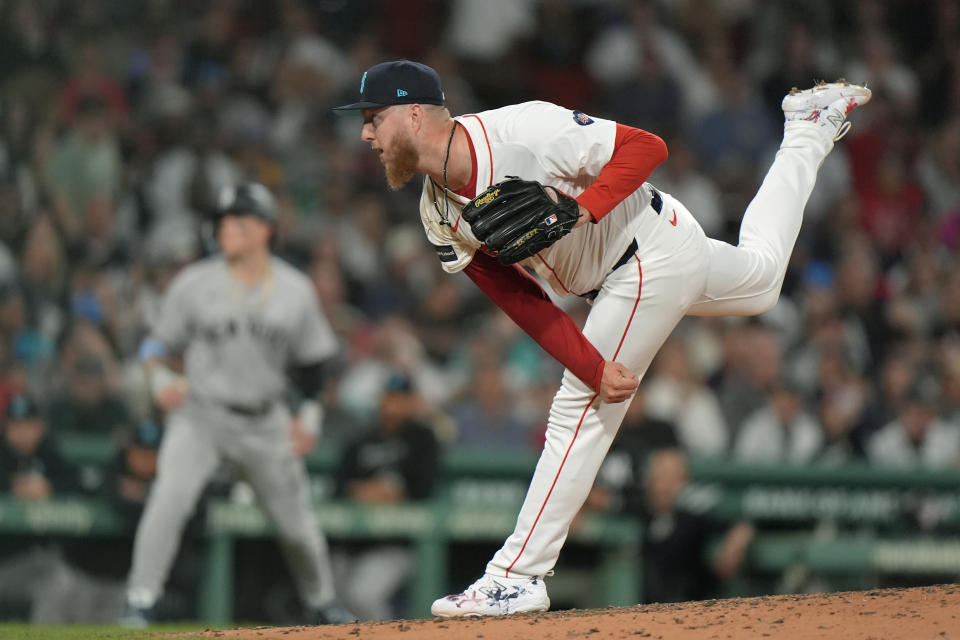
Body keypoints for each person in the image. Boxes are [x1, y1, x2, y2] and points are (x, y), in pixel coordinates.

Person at [334, 59, 871, 617]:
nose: (366, 133)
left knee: (577, 413)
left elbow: (647, 148)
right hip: (639, 262)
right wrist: (590, 363)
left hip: (644, 254)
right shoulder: (436, 208)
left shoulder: (525, 130)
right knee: (761, 280)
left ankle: (516, 575)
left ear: (415, 114)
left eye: (374, 117)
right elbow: (517, 297)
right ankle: (807, 128)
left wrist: (578, 210)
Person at [120, 182, 354, 626]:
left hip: (265, 420)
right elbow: (153, 347)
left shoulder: (294, 289)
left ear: (265, 230)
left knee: (296, 527)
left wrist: (310, 414)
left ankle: (321, 601)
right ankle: (140, 599)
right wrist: (162, 377)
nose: (226, 229)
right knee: (168, 501)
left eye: (238, 222)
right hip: (201, 416)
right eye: (224, 221)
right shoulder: (194, 282)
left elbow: (314, 368)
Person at [334, 372, 440, 620]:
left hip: (397, 541)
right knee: (331, 596)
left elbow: (424, 488)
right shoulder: (360, 439)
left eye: (399, 398)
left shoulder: (423, 438)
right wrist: (363, 491)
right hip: (352, 541)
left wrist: (394, 492)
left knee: (362, 595)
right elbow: (338, 487)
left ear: (411, 402)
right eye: (388, 397)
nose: (392, 404)